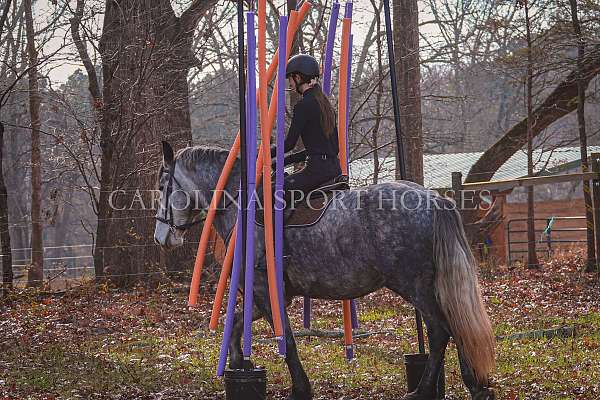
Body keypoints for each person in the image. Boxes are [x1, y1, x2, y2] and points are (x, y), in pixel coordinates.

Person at [268, 54, 342, 209]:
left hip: (317, 171)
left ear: (298, 77)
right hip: (334, 168)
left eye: (290, 78)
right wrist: (282, 162)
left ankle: (279, 233)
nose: (290, 83)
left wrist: (264, 156)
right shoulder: (326, 105)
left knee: (271, 193)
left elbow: (288, 144)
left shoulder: (303, 106)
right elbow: (328, 149)